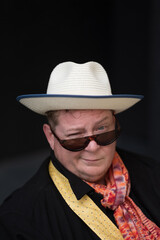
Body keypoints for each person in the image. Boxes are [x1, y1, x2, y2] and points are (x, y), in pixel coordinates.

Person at [0, 61, 160, 240]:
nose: (93, 148)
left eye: (102, 131)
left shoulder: (152, 174)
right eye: (76, 137)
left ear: (115, 123)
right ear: (50, 137)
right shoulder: (20, 219)